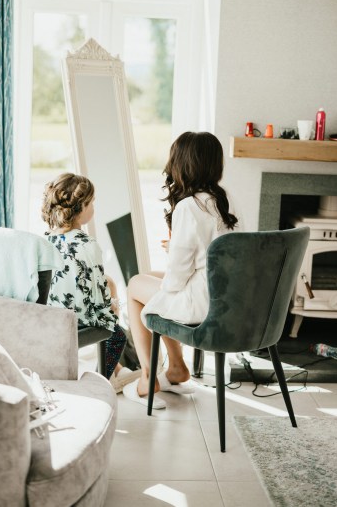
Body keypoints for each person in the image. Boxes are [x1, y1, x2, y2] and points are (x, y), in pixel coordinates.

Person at [123, 131, 238, 409]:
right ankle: (176, 368)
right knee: (150, 278)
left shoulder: (188, 206)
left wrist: (175, 251)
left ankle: (148, 378)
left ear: (182, 164)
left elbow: (175, 281)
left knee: (135, 286)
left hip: (201, 303)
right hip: (226, 296)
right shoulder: (225, 199)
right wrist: (177, 249)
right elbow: (214, 252)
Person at [41, 172, 128, 382]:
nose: (93, 208)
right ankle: (101, 380)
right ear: (81, 208)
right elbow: (96, 299)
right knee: (118, 335)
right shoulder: (88, 245)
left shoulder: (46, 240)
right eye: (92, 203)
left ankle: (116, 369)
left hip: (50, 316)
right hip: (73, 321)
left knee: (109, 282)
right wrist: (113, 309)